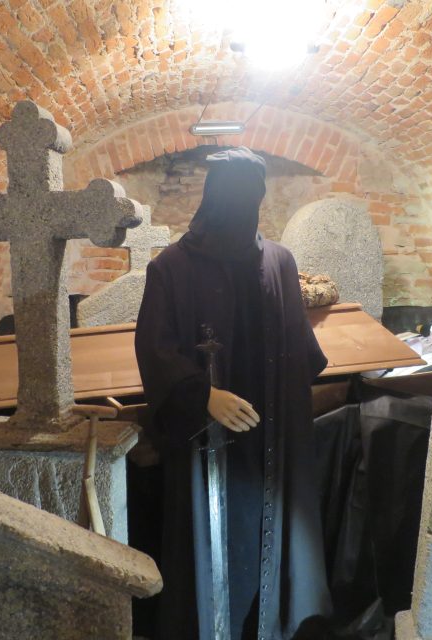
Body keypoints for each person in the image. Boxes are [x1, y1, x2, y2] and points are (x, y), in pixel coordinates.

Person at [135, 147, 331, 640]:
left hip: (270, 441)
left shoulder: (280, 262)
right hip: (207, 444)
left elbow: (300, 352)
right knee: (209, 548)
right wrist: (201, 395)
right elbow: (156, 350)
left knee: (271, 541)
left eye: (254, 197)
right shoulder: (171, 269)